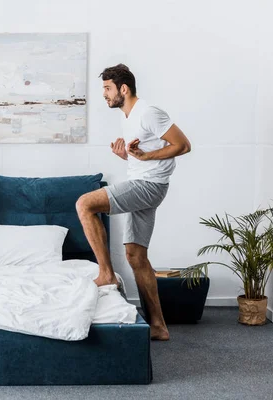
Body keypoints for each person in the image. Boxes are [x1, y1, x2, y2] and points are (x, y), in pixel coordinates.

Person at [75, 64, 191, 340]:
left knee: (85, 204)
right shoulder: (128, 117)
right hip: (146, 181)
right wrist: (128, 156)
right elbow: (145, 154)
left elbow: (183, 145)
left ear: (123, 89)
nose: (104, 94)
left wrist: (147, 158)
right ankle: (159, 326)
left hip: (149, 186)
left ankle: (106, 273)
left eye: (107, 88)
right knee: (136, 256)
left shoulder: (149, 113)